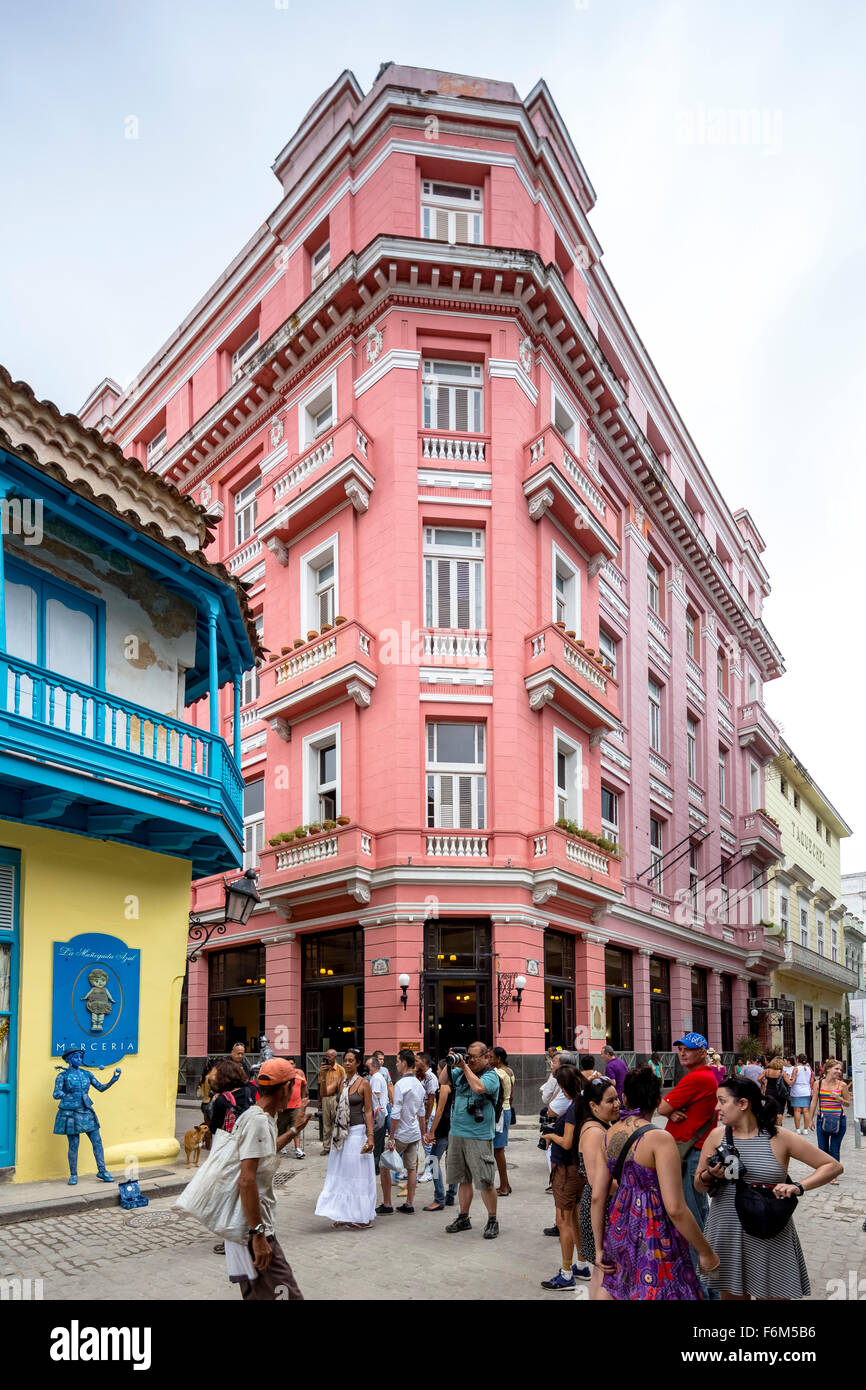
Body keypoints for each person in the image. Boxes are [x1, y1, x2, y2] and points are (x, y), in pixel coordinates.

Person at [695, 1076, 842, 1300]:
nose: (717, 1107)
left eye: (722, 1101)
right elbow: (699, 1184)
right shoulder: (717, 1136)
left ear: (743, 1104)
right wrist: (709, 1175)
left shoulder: (779, 1137)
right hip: (727, 1231)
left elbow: (832, 1166)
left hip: (769, 1231)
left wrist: (798, 1187)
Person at [592, 1067, 718, 1300]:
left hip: (619, 1225)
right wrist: (705, 1251)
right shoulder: (659, 1139)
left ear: (625, 1098)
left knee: (620, 1287)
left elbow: (598, 1196)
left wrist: (598, 1248)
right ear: (658, 1099)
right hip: (655, 1230)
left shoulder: (608, 1135)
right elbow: (676, 1208)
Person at [233, 1057, 307, 1300]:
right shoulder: (257, 1122)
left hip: (243, 1230)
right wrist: (258, 1236)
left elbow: (265, 1150)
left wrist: (295, 1129)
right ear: (286, 1088)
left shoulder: (256, 1115)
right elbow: (246, 1180)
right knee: (288, 1295)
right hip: (253, 1229)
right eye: (293, 1087)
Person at [656, 1032, 719, 1299]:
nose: (682, 1053)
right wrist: (673, 1110)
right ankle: (710, 1283)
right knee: (699, 1216)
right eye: (680, 1049)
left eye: (689, 1050)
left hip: (690, 1152)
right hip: (695, 1151)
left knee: (690, 1220)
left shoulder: (697, 1077)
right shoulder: (707, 1076)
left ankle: (703, 1288)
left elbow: (660, 1108)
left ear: (702, 1052)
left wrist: (670, 1109)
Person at [539, 1063, 592, 1289]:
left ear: (564, 1086)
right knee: (575, 1218)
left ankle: (566, 1272)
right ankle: (581, 1264)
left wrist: (551, 1135)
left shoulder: (573, 1108)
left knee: (564, 1221)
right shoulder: (584, 1104)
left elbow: (568, 1141)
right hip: (578, 1169)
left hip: (567, 1169)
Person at [445, 1041, 501, 1239]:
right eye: (468, 1055)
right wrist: (450, 1062)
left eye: (474, 1056)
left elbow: (479, 1088)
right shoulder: (460, 1071)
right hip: (457, 1133)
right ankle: (463, 1217)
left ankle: (492, 1220)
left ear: (486, 1057)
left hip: (479, 1136)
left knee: (485, 1180)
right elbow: (443, 1080)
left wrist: (465, 1067)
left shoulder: (492, 1075)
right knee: (463, 1179)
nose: (470, 1059)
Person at [314, 1047, 376, 1229]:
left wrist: (370, 1136)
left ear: (357, 1063)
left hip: (357, 1133)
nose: (348, 1063)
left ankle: (360, 1215)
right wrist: (323, 1076)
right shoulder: (341, 1083)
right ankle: (343, 1213)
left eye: (351, 1060)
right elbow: (325, 1093)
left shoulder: (364, 1083)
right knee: (342, 1175)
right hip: (341, 1134)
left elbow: (368, 1110)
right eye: (346, 1060)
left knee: (356, 1175)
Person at [576, 1076, 620, 1292]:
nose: (617, 1104)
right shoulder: (594, 1132)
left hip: (601, 1207)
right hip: (598, 1210)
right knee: (605, 1272)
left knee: (601, 1271)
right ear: (593, 1106)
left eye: (617, 1098)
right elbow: (597, 1183)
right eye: (610, 1101)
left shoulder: (601, 1127)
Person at [379, 1049, 426, 1214]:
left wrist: (391, 1136)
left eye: (398, 1061)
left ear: (404, 1063)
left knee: (384, 1166)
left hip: (401, 1133)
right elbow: (421, 1112)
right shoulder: (419, 1085)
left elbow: (396, 1113)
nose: (397, 1064)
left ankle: (387, 1203)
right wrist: (423, 1132)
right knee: (411, 1168)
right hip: (414, 1132)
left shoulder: (401, 1084)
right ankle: (409, 1203)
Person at [808, 1058, 851, 1170]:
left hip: (839, 1121)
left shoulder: (842, 1085)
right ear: (827, 1069)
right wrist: (809, 1119)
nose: (839, 1071)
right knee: (822, 1149)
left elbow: (848, 1104)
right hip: (822, 1119)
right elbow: (814, 1101)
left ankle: (833, 1174)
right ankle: (824, 1173)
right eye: (836, 1069)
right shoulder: (818, 1083)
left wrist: (839, 1099)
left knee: (834, 1149)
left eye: (840, 1069)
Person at [422, 1061, 453, 1211]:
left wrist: (431, 1131)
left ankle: (439, 1198)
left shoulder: (445, 1087)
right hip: (454, 1127)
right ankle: (451, 1195)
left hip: (443, 1128)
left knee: (433, 1160)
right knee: (452, 1162)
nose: (438, 1073)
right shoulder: (457, 1084)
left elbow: (439, 1110)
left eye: (439, 1070)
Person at [209, 1058, 256, 1136]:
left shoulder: (221, 1100)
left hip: (232, 1143)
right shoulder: (251, 1089)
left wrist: (213, 1104)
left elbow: (214, 1129)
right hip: (250, 1137)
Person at [491, 1046, 514, 1197]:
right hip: (506, 1110)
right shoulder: (509, 1071)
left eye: (490, 1057)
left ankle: (504, 1185)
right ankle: (505, 1184)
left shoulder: (497, 1073)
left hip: (499, 1112)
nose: (488, 1060)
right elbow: (511, 1096)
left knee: (498, 1151)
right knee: (499, 1150)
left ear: (498, 1058)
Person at [276, 1057, 307, 1158]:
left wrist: (303, 1099)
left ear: (295, 1064)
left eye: (292, 1063)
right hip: (283, 1106)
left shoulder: (300, 1073)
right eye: (288, 1064)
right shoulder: (282, 1074)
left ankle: (297, 1149)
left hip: (296, 1105)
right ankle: (281, 1146)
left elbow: (304, 1086)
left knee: (296, 1127)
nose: (290, 1065)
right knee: (281, 1127)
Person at [317, 1049, 346, 1155]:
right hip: (325, 1098)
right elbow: (320, 1085)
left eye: (329, 1056)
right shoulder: (323, 1070)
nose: (327, 1058)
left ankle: (337, 1144)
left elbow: (343, 1086)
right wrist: (319, 1102)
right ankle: (326, 1147)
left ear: (335, 1057)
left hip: (335, 1098)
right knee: (326, 1124)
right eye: (326, 1056)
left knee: (337, 1122)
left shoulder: (340, 1069)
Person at [365, 1054, 390, 1174]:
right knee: (379, 1141)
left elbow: (376, 1095)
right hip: (380, 1114)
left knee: (377, 1142)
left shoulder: (375, 1078)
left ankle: (375, 1167)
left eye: (368, 1066)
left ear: (374, 1066)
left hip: (377, 1115)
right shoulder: (378, 1077)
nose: (366, 1069)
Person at [759, 1056, 789, 1123]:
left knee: (770, 1108)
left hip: (769, 1092)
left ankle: (770, 1124)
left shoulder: (767, 1071)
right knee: (780, 1111)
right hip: (780, 1093)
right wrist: (794, 1079)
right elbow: (789, 1083)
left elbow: (759, 1079)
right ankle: (779, 1126)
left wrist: (763, 1083)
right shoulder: (782, 1072)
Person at [789, 1054, 814, 1135]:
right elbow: (811, 1081)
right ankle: (806, 1129)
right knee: (806, 1111)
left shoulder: (796, 1069)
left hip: (797, 1091)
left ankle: (798, 1129)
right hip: (807, 1090)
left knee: (797, 1110)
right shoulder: (809, 1069)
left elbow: (792, 1080)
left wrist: (787, 1079)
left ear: (797, 1060)